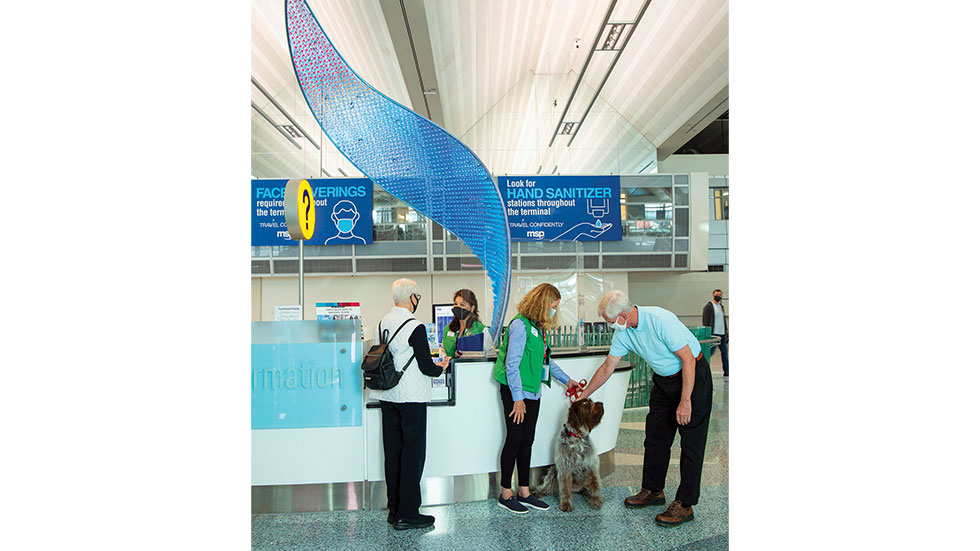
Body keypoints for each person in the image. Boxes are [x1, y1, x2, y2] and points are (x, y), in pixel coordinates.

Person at [576, 290, 712, 528]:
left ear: (624, 315)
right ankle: (653, 490)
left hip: (692, 377)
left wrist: (685, 400)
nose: (610, 327)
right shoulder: (624, 333)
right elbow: (608, 367)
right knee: (655, 439)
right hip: (663, 381)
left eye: (610, 322)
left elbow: (688, 359)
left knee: (691, 443)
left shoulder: (660, 320)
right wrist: (583, 396)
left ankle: (685, 503)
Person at [492, 283, 582, 514]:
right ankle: (505, 493)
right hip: (516, 392)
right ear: (542, 303)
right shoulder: (520, 325)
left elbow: (546, 361)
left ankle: (524, 491)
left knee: (527, 440)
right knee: (514, 439)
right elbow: (512, 365)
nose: (554, 311)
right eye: (552, 307)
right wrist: (517, 399)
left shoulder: (538, 329)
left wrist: (567, 379)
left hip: (533, 391)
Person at [370, 278, 450, 530]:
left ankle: (394, 510)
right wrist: (442, 367)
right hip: (412, 397)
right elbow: (427, 366)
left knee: (393, 453)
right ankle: (409, 513)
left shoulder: (382, 322)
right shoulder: (414, 326)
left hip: (388, 396)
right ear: (413, 297)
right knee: (412, 455)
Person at [442, 289, 488, 358]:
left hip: (472, 367)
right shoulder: (448, 329)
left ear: (472, 308)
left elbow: (490, 356)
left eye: (462, 305)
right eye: (455, 304)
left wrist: (468, 356)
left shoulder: (481, 330)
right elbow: (443, 352)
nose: (458, 307)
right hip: (451, 367)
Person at [702, 289, 728, 377]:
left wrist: (726, 333)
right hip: (713, 334)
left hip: (722, 334)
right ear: (713, 295)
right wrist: (708, 333)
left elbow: (723, 321)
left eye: (720, 295)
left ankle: (727, 371)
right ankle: (704, 371)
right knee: (709, 353)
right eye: (717, 294)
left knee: (724, 353)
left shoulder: (721, 307)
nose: (718, 296)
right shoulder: (708, 307)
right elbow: (705, 321)